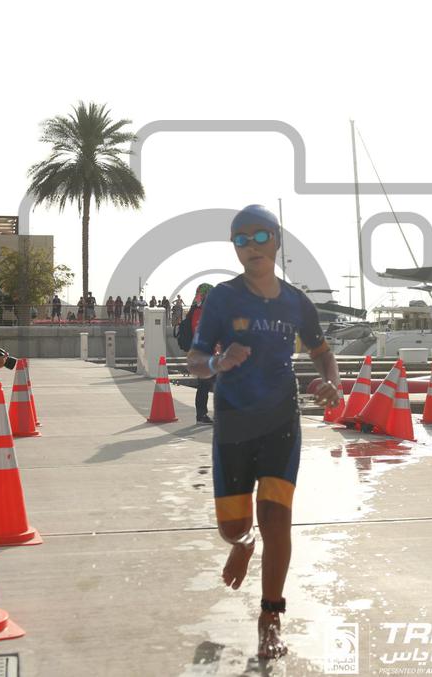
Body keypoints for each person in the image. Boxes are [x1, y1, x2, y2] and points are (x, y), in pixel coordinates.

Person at [187, 205, 340, 659]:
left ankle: (271, 615)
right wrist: (218, 362)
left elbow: (322, 352)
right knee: (232, 527)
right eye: (241, 239)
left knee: (277, 519)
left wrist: (332, 383)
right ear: (234, 247)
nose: (251, 246)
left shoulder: (296, 302)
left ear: (276, 240)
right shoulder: (222, 298)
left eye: (260, 237)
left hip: (281, 421)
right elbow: (195, 360)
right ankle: (243, 543)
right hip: (234, 422)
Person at [189, 283, 215, 425]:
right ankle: (201, 414)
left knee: (209, 384)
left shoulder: (204, 310)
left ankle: (204, 414)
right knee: (205, 385)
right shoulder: (199, 312)